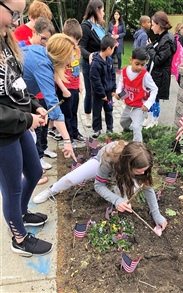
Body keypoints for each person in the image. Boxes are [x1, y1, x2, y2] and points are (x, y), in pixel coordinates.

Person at [0, 0, 53, 256]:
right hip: (3, 134)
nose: (18, 21)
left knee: (34, 172)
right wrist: (27, 120)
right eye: (14, 13)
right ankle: (19, 237)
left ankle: (20, 214)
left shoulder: (7, 41)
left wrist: (34, 106)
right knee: (12, 188)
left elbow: (17, 85)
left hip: (18, 124)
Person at [33, 140, 167, 231]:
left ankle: (119, 197)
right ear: (128, 165)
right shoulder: (108, 160)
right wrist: (116, 200)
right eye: (139, 171)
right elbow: (98, 185)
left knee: (126, 196)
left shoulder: (141, 164)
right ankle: (52, 190)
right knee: (70, 179)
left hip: (125, 171)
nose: (143, 173)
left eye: (144, 170)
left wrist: (156, 214)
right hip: (102, 161)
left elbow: (148, 187)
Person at [22, 33, 77, 162]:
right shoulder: (42, 65)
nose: (71, 60)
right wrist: (67, 141)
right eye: (70, 56)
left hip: (24, 98)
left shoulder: (42, 51)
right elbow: (53, 106)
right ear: (62, 56)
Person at [19, 17, 57, 173]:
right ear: (34, 32)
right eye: (43, 39)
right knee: (32, 131)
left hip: (36, 97)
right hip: (25, 100)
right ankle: (33, 161)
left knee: (41, 128)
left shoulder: (44, 56)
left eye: (48, 41)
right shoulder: (24, 50)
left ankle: (40, 153)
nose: (45, 44)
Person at [115, 47, 158, 142]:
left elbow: (154, 89)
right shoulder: (125, 71)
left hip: (140, 107)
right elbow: (121, 82)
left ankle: (137, 147)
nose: (139, 67)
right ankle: (128, 135)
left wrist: (148, 104)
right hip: (128, 105)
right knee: (123, 122)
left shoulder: (145, 75)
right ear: (131, 60)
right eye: (137, 64)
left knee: (136, 126)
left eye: (143, 65)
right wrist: (118, 92)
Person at [56, 18, 85, 145]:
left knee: (74, 111)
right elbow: (56, 73)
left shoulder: (77, 50)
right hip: (65, 88)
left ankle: (75, 131)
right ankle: (67, 135)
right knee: (66, 113)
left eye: (78, 40)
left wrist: (80, 83)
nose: (76, 43)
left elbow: (77, 68)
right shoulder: (62, 51)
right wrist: (63, 89)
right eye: (74, 39)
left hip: (74, 87)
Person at [145, 11, 176, 128]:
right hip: (154, 73)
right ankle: (149, 118)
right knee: (149, 96)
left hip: (160, 75)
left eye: (153, 24)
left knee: (155, 97)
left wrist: (149, 48)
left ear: (159, 24)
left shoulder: (168, 40)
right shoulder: (161, 37)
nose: (152, 27)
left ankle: (154, 121)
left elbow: (159, 59)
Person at [79, 0, 105, 128]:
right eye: (102, 10)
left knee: (99, 90)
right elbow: (81, 46)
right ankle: (88, 116)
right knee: (90, 92)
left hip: (101, 64)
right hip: (89, 64)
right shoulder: (85, 26)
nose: (104, 13)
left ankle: (97, 114)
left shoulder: (100, 27)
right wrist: (89, 55)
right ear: (96, 10)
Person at [90, 35, 116, 138]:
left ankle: (110, 128)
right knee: (97, 111)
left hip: (109, 93)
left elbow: (113, 75)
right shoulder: (96, 63)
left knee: (109, 110)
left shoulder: (109, 60)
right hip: (98, 94)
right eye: (113, 48)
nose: (113, 51)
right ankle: (97, 129)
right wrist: (101, 94)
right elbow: (95, 80)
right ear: (108, 48)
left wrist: (113, 89)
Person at [107, 10, 126, 74]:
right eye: (115, 14)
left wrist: (118, 35)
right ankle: (110, 68)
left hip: (119, 42)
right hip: (112, 41)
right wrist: (111, 35)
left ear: (119, 15)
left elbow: (124, 32)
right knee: (110, 55)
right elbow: (108, 32)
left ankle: (119, 69)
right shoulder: (111, 23)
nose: (116, 15)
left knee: (119, 56)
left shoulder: (122, 23)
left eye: (117, 14)